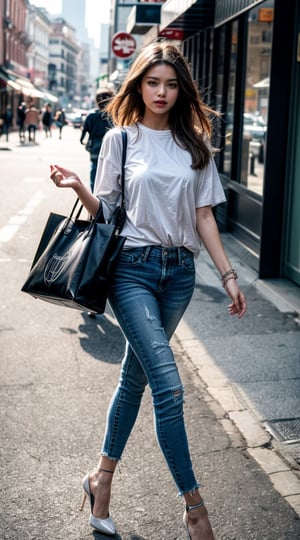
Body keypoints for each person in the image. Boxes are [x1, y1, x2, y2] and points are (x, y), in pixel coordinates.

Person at [50, 41, 247, 540]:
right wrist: (79, 187)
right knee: (169, 386)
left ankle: (100, 482)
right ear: (139, 84)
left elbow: (204, 216)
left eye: (172, 83)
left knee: (134, 379)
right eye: (153, 82)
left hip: (180, 275)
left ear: (182, 90)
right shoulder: (121, 139)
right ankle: (195, 508)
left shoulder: (195, 143)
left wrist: (228, 275)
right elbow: (109, 214)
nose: (162, 91)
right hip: (132, 271)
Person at [80, 89, 113, 191]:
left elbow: (84, 131)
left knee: (95, 168)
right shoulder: (114, 116)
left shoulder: (91, 116)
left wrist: (82, 140)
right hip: (111, 147)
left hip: (95, 146)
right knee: (111, 169)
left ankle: (94, 193)